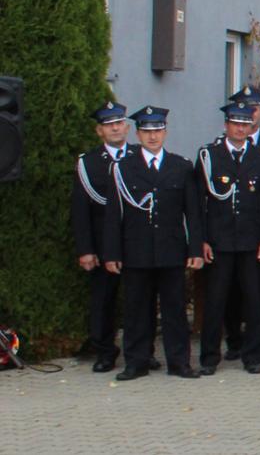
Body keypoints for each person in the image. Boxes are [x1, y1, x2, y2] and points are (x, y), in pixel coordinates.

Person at [104, 106, 204, 381]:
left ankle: (179, 362)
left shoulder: (180, 166)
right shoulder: (123, 168)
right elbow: (114, 215)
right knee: (136, 311)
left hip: (171, 250)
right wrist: (112, 253)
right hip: (135, 250)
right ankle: (136, 363)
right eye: (147, 131)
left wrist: (195, 248)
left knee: (175, 311)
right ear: (137, 134)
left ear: (165, 132)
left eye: (157, 131)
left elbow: (192, 213)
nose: (152, 136)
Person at [196, 102, 260, 375]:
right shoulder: (209, 156)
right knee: (215, 301)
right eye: (235, 124)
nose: (240, 129)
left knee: (253, 300)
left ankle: (252, 356)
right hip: (219, 242)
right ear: (226, 126)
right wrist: (202, 240)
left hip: (251, 241)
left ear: (251, 127)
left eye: (245, 125)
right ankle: (209, 358)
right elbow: (199, 203)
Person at [72, 100, 130, 373]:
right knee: (103, 301)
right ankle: (105, 352)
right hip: (101, 243)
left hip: (135, 242)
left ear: (127, 127)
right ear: (99, 131)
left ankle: (140, 350)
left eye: (119, 123)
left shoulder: (141, 156)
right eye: (109, 125)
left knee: (138, 301)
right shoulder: (89, 162)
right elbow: (81, 210)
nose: (115, 129)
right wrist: (86, 249)